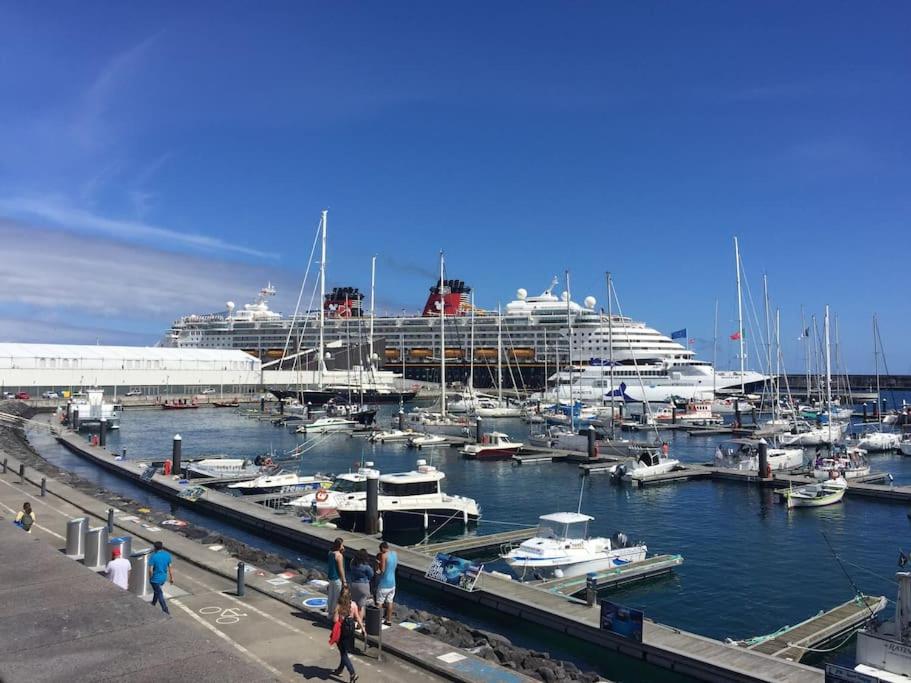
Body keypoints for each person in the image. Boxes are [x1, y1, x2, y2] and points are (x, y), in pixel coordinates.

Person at [331, 587, 364, 682]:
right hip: (350, 630)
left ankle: (352, 673)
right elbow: (357, 617)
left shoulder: (339, 605)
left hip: (342, 630)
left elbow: (335, 620)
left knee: (343, 653)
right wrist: (363, 629)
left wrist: (335, 612)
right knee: (344, 650)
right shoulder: (353, 604)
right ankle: (340, 670)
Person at [148, 541, 173, 615]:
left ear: (155, 548)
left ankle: (165, 610)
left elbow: (150, 570)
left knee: (159, 594)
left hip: (155, 579)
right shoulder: (167, 555)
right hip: (163, 578)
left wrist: (150, 577)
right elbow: (170, 568)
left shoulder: (153, 556)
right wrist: (171, 578)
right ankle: (153, 603)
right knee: (157, 590)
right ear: (162, 547)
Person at [376, 541, 397, 626]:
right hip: (393, 583)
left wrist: (378, 564)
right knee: (390, 601)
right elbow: (394, 566)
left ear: (383, 548)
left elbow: (382, 570)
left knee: (379, 602)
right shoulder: (395, 554)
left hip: (384, 583)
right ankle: (388, 620)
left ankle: (377, 620)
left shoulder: (383, 555)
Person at [326, 538, 346, 623]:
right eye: (342, 545)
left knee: (331, 596)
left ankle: (330, 614)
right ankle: (335, 615)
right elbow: (341, 569)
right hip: (337, 578)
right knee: (337, 598)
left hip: (331, 578)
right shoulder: (339, 556)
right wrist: (344, 580)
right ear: (339, 546)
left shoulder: (330, 553)